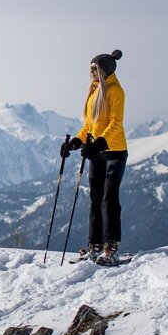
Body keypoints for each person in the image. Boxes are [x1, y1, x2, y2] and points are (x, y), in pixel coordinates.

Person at [60, 49, 128, 264]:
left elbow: (116, 124)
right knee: (96, 199)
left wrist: (99, 143)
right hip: (97, 153)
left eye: (94, 68)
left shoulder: (115, 91)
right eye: (90, 68)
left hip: (114, 152)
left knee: (109, 199)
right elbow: (89, 125)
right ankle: (95, 246)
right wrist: (76, 142)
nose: (90, 72)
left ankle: (111, 247)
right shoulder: (94, 91)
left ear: (104, 70)